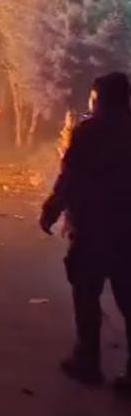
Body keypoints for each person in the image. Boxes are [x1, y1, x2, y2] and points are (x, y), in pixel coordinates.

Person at [40, 72, 131, 392]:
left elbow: (71, 177)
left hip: (94, 228)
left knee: (86, 293)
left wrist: (51, 209)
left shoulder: (89, 133)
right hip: (126, 231)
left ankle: (88, 361)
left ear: (100, 99)